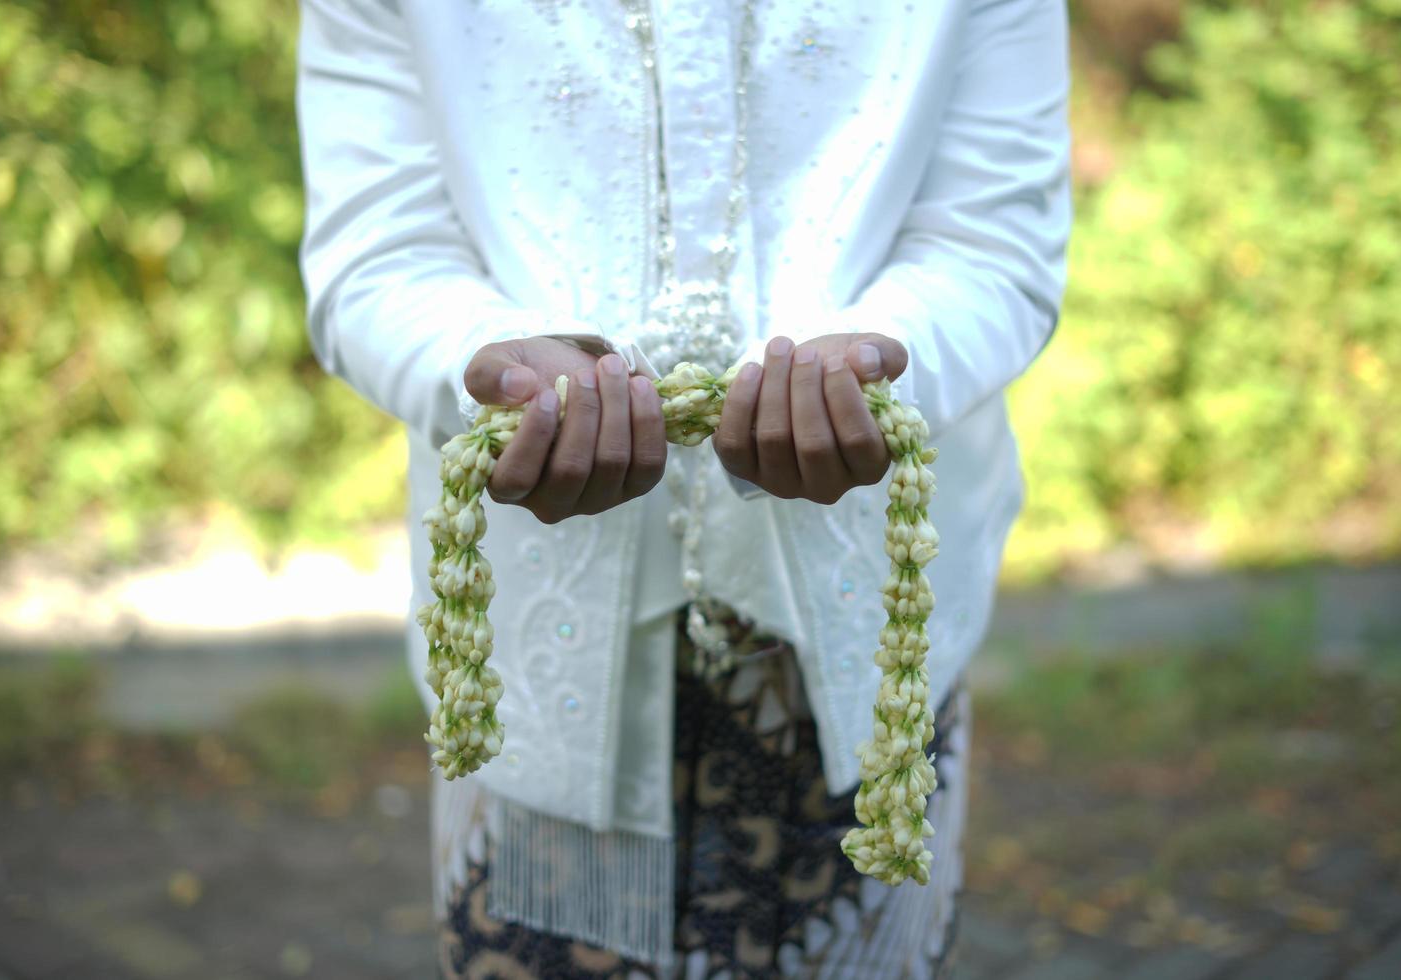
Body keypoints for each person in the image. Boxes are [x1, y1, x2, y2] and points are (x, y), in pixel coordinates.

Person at [296, 0, 1071, 975]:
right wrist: (482, 366)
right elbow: (376, 253)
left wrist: (879, 371)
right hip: (542, 655)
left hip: (860, 644)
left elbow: (993, 240)